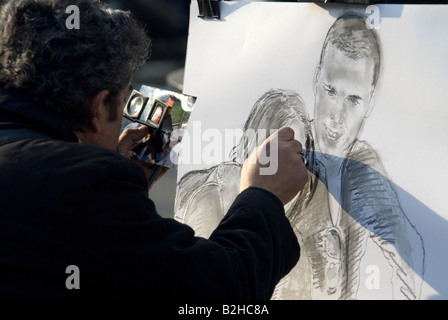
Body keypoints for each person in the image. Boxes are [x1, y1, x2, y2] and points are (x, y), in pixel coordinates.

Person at [0, 0, 308, 299]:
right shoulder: (83, 181)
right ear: (96, 108)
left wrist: (115, 194)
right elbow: (217, 292)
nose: (122, 119)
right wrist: (262, 195)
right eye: (122, 105)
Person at [283, 14, 425, 300]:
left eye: (353, 100)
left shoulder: (363, 167)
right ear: (315, 79)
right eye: (331, 91)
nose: (337, 115)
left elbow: (412, 254)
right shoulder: (285, 147)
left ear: (370, 101)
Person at [175, 88, 316, 239]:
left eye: (297, 157)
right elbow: (208, 261)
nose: (285, 168)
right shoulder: (212, 198)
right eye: (273, 157)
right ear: (251, 146)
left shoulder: (303, 207)